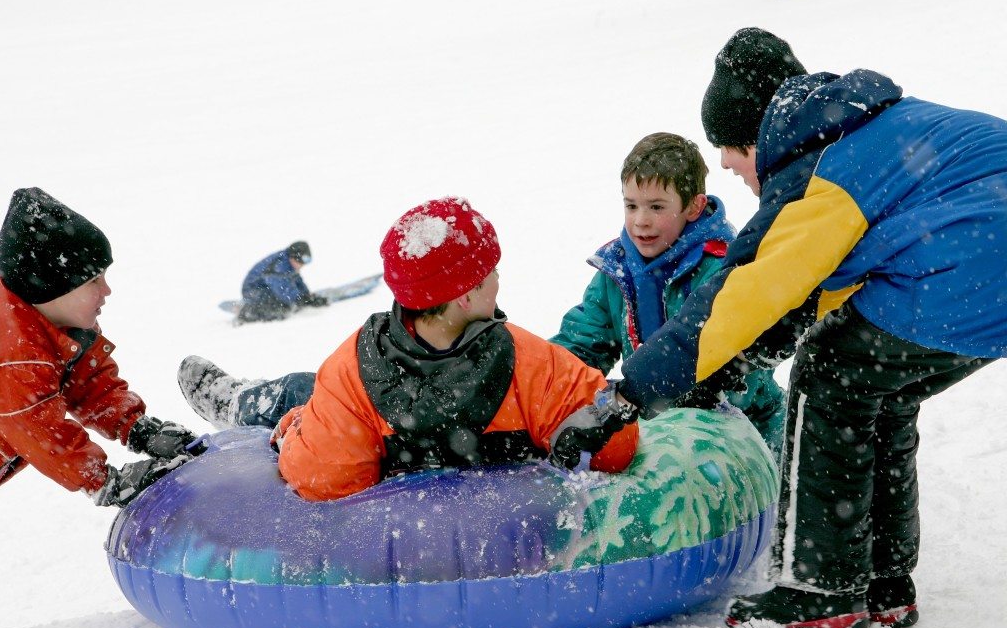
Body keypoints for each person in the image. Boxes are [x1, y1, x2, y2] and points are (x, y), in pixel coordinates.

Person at [551, 26, 1007, 628]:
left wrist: (628, 396)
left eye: (730, 156)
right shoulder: (861, 131)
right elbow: (803, 298)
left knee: (830, 375)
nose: (731, 171)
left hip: (971, 259)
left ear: (754, 137)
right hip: (985, 265)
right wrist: (719, 374)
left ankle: (820, 590)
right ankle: (883, 581)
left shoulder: (817, 169)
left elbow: (740, 296)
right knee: (880, 388)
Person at [178, 197, 638, 501]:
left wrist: (297, 431)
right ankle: (248, 401)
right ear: (466, 295)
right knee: (309, 397)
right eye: (491, 271)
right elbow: (613, 441)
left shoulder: (351, 372)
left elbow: (323, 478)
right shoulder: (534, 364)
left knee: (305, 395)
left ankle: (252, 402)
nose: (499, 279)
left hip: (348, 409)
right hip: (347, 409)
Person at [550, 132, 785, 458]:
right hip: (660, 430)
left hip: (746, 431)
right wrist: (550, 387)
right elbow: (584, 340)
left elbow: (747, 368)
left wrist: (690, 395)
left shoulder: (722, 268)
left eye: (656, 207)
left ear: (693, 206)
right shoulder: (617, 270)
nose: (640, 221)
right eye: (631, 205)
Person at [0, 188, 199, 511]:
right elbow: (43, 434)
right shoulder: (12, 359)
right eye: (93, 281)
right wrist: (105, 481)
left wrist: (135, 427)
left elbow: (87, 381)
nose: (107, 290)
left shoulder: (52, 316)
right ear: (52, 288)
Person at [236, 240, 329, 323]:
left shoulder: (290, 264)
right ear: (293, 257)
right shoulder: (279, 265)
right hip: (253, 290)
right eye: (301, 262)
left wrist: (307, 295)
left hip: (268, 289)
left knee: (288, 304)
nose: (302, 265)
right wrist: (300, 299)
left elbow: (296, 280)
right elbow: (281, 288)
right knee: (282, 310)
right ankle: (248, 312)